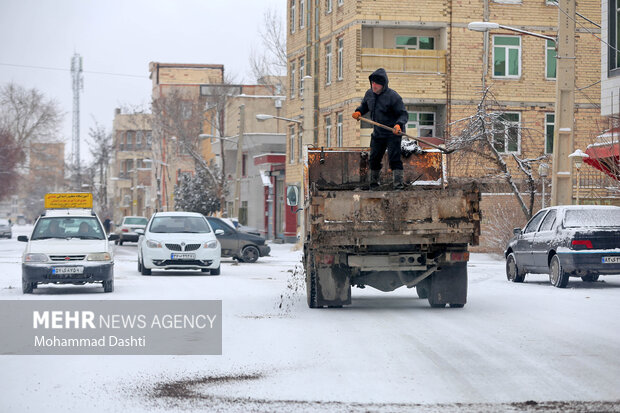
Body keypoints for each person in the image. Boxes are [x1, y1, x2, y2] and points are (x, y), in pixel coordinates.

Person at [352, 68, 408, 189]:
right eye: (372, 83)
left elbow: (403, 114)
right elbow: (364, 106)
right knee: (374, 158)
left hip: (393, 132)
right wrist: (359, 111)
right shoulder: (369, 94)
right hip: (378, 132)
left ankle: (398, 185)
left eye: (376, 83)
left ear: (383, 84)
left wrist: (399, 124)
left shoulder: (393, 97)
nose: (374, 85)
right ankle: (373, 184)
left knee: (394, 158)